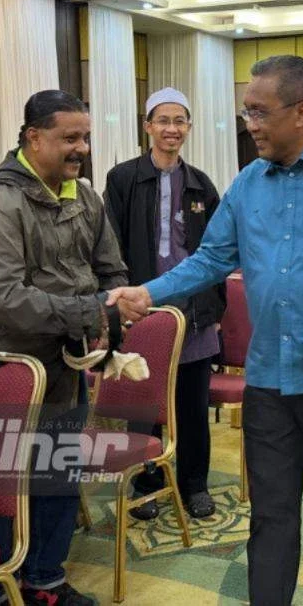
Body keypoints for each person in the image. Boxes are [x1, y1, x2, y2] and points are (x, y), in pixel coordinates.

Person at [109, 55, 303, 606]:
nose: (249, 122)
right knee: (272, 515)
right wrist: (147, 293)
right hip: (271, 383)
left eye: (259, 111)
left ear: (301, 112)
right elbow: (209, 260)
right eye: (246, 111)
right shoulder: (250, 182)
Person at [0, 89, 126, 606]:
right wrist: (88, 312)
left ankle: (44, 580)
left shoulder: (84, 195)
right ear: (33, 137)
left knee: (57, 469)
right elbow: (4, 297)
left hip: (64, 362)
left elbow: (110, 267)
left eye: (86, 138)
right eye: (69, 138)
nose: (81, 148)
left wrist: (113, 308)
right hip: (5, 363)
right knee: (3, 481)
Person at [103, 87, 225, 520]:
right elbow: (110, 245)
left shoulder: (201, 184)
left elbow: (216, 252)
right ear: (148, 126)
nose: (171, 129)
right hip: (142, 310)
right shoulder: (122, 178)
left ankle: (195, 485)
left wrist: (213, 310)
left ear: (188, 128)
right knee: (144, 406)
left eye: (180, 121)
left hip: (191, 312)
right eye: (164, 121)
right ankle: (149, 483)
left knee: (192, 404)